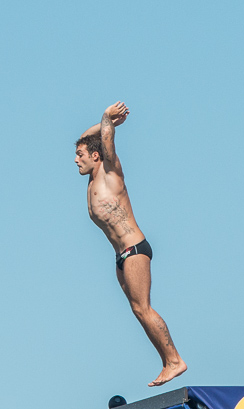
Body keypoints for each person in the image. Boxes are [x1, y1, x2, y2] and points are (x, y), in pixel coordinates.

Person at [75, 102, 187, 387]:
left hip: (135, 249)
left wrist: (106, 118)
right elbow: (90, 138)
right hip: (120, 256)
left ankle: (174, 360)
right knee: (137, 311)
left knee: (144, 308)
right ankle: (167, 361)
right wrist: (101, 125)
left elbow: (106, 140)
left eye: (80, 155)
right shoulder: (91, 180)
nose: (76, 159)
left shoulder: (110, 172)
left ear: (97, 156)